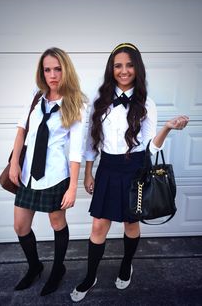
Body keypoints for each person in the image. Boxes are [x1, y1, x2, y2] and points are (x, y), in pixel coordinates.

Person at [70, 42, 189, 302]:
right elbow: (92, 143)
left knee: (130, 222)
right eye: (118, 66)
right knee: (99, 224)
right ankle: (91, 276)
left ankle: (126, 265)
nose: (124, 71)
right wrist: (88, 173)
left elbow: (150, 146)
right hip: (108, 168)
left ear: (137, 68)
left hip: (135, 168)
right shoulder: (99, 100)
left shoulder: (147, 103)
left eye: (129, 65)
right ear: (111, 69)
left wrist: (167, 127)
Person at [9, 47, 87, 296]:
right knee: (20, 226)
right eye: (47, 69)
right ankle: (35, 267)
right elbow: (22, 130)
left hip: (55, 175)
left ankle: (58, 269)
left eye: (57, 68)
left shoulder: (77, 104)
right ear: (42, 72)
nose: (52, 74)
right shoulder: (35, 97)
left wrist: (73, 187)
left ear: (66, 69)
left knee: (56, 222)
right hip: (28, 174)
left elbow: (76, 150)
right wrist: (14, 163)